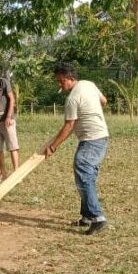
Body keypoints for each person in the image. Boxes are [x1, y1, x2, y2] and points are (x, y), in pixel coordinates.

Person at [44, 63, 109, 235]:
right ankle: (87, 216)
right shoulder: (89, 84)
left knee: (83, 172)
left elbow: (69, 126)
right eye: (58, 81)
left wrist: (53, 146)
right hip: (101, 137)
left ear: (70, 78)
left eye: (61, 80)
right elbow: (104, 101)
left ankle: (97, 217)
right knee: (87, 175)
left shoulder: (72, 98)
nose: (60, 84)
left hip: (92, 139)